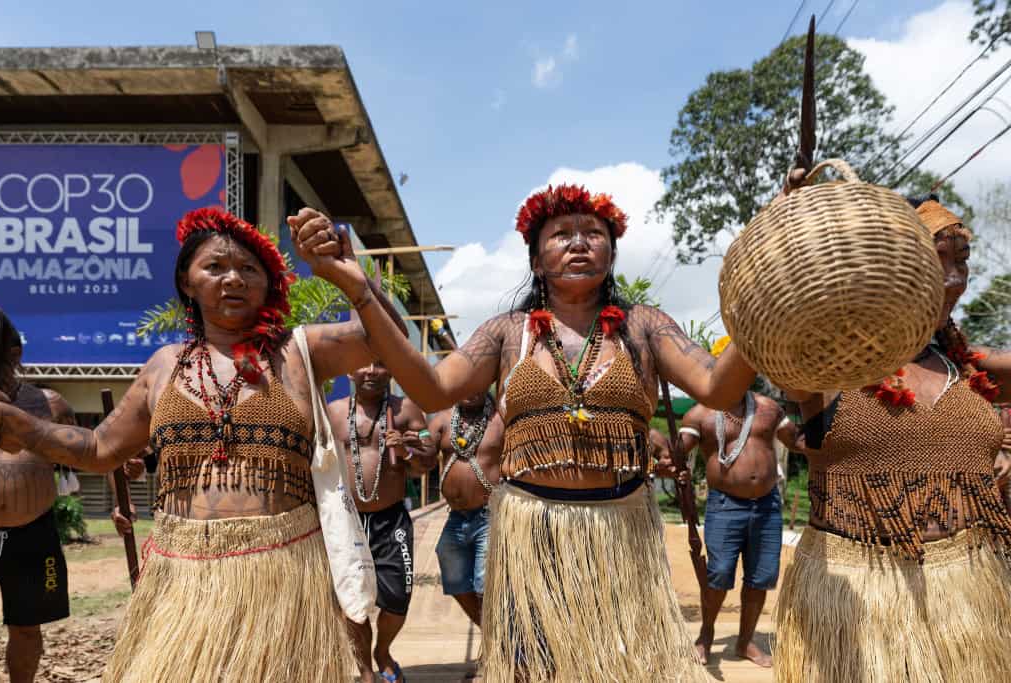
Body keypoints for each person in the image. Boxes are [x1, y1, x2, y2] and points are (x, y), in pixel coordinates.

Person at [282, 185, 757, 681]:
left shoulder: (645, 326)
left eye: (594, 234)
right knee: (536, 668)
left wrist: (762, 306)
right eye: (561, 234)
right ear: (535, 260)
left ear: (612, 253)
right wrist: (359, 291)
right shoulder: (507, 332)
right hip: (533, 534)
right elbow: (433, 388)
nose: (579, 243)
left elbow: (717, 388)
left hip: (622, 534)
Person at [0, 208, 407, 683]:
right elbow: (99, 448)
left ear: (269, 286)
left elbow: (382, 340)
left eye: (250, 269)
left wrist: (346, 274)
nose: (234, 279)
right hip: (181, 578)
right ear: (187, 282)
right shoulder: (164, 366)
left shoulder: (299, 350)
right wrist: (17, 423)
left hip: (286, 571)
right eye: (215, 268)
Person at [773, 194, 1011, 683]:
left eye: (960, 262)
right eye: (933, 260)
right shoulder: (827, 363)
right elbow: (773, 324)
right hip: (854, 599)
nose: (952, 278)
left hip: (967, 593)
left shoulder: (967, 367)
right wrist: (789, 220)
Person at [677, 382, 800, 668]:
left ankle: (745, 642)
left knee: (761, 575)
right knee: (718, 573)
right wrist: (671, 457)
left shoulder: (768, 408)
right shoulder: (700, 413)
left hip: (767, 506)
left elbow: (797, 442)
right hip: (725, 505)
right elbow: (677, 451)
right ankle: (706, 635)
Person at [326, 362, 434, 683]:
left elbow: (429, 457)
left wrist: (407, 452)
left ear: (391, 371)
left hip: (391, 519)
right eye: (363, 365)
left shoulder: (406, 409)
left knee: (398, 598)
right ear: (349, 372)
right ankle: (365, 670)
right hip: (347, 521)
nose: (371, 371)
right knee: (352, 599)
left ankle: (382, 651)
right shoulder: (332, 413)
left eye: (381, 364)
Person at [0, 304, 74, 683]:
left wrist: (120, 501)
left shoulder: (48, 404)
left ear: (13, 352)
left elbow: (92, 453)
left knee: (27, 628)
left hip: (33, 535)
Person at [428, 390, 502, 638]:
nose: (470, 390)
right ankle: (494, 637)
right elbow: (424, 459)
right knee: (454, 577)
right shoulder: (443, 419)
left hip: (490, 515)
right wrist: (415, 445)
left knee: (486, 585)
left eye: (476, 383)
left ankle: (500, 645)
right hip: (456, 517)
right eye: (465, 383)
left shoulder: (501, 417)